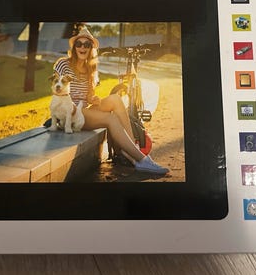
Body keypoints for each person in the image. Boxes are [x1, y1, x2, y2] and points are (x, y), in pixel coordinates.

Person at [53, 27, 169, 175]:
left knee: (115, 99)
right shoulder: (63, 64)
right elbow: (56, 90)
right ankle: (142, 160)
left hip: (83, 111)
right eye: (79, 44)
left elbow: (88, 96)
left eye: (86, 44)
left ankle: (132, 150)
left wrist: (93, 99)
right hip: (69, 114)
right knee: (110, 119)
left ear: (91, 49)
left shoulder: (91, 69)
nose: (82, 47)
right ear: (74, 47)